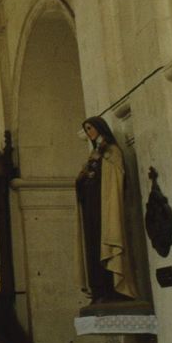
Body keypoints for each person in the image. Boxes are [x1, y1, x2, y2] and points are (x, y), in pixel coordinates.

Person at [75, 116, 136, 305]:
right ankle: (99, 289)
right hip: (91, 209)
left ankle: (113, 289)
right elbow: (83, 181)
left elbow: (115, 179)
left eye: (90, 128)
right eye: (86, 130)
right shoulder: (92, 155)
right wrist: (81, 181)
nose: (89, 133)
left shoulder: (112, 152)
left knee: (107, 243)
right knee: (92, 247)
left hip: (105, 207)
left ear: (100, 128)